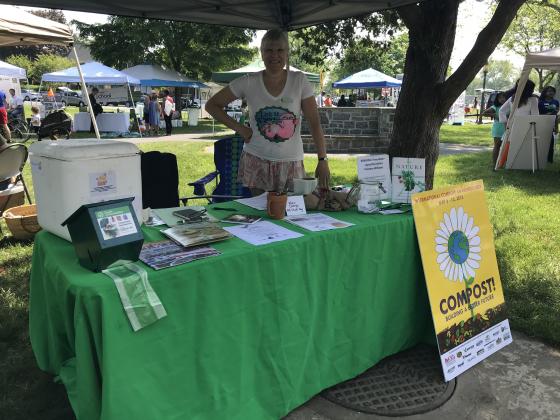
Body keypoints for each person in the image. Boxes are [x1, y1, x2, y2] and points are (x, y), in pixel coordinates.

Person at [205, 28, 330, 194]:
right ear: (261, 53)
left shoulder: (299, 81)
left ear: (287, 53)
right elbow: (212, 105)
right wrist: (241, 129)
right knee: (262, 214)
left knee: (294, 214)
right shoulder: (249, 81)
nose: (274, 55)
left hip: (291, 162)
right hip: (257, 160)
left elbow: (314, 123)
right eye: (269, 50)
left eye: (280, 50)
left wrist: (322, 160)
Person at [482, 92, 506, 167]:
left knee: (506, 147)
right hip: (498, 128)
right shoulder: (495, 107)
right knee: (497, 146)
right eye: (500, 98)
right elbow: (484, 113)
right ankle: (495, 164)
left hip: (507, 128)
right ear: (497, 99)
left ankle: (503, 164)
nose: (502, 99)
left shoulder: (509, 106)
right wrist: (494, 115)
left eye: (503, 97)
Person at [538, 86, 559, 163]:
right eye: (549, 91)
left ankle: (550, 160)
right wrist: (546, 114)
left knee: (551, 142)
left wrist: (557, 127)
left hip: (551, 125)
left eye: (552, 91)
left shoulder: (556, 102)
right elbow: (537, 114)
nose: (551, 92)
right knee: (541, 142)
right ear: (545, 92)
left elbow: (556, 115)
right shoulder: (540, 102)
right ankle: (540, 158)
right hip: (542, 124)